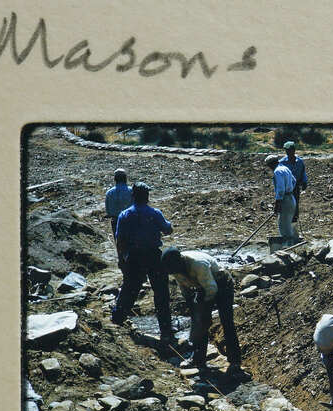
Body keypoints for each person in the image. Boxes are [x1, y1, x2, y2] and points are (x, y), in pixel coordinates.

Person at [161, 247, 248, 379]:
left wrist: (204, 309)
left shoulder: (198, 264)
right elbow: (184, 287)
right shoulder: (174, 267)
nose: (172, 272)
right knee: (199, 322)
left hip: (221, 283)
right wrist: (192, 307)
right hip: (203, 286)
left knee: (226, 321)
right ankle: (198, 358)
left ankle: (235, 361)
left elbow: (212, 289)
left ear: (179, 262)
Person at [110, 182, 173, 352]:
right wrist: (168, 225)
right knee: (161, 293)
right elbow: (168, 230)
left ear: (132, 196)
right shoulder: (154, 213)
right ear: (147, 196)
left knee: (130, 288)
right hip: (153, 255)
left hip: (134, 257)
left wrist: (122, 259)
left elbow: (120, 240)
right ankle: (166, 331)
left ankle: (117, 319)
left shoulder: (124, 215)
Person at [264, 153, 297, 243]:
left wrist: (277, 204)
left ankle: (288, 247)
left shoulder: (277, 171)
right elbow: (294, 181)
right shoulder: (286, 169)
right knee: (287, 224)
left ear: (271, 164)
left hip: (285, 200)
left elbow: (281, 189)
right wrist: (289, 190)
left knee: (283, 226)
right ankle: (291, 245)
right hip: (291, 198)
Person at [279, 141, 308, 223]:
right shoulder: (282, 162)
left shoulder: (299, 162)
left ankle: (294, 223)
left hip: (295, 188)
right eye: (287, 150)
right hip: (286, 188)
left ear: (294, 150)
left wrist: (304, 182)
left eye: (291, 150)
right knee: (286, 205)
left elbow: (303, 173)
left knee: (295, 205)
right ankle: (286, 222)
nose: (289, 152)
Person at [104, 169, 133, 241]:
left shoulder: (109, 193)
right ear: (125, 178)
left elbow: (108, 210)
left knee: (119, 242)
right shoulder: (131, 191)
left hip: (116, 221)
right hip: (130, 220)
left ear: (115, 179)